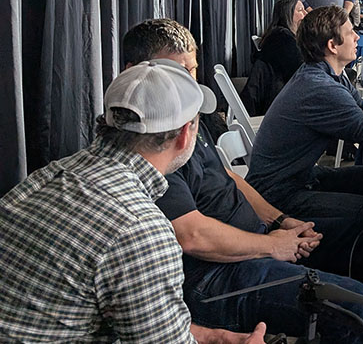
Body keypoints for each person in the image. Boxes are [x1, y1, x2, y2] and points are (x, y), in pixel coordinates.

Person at [120, 19, 363, 342]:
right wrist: (270, 247)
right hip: (214, 276)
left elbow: (225, 176)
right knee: (352, 306)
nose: (187, 83)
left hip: (253, 241)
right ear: (136, 72)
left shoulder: (187, 116)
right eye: (175, 72)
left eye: (192, 70)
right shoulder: (145, 141)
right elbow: (192, 235)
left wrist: (279, 222)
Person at [0, 59, 267, 343]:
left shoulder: (48, 176)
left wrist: (215, 338)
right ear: (185, 134)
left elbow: (143, 323)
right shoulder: (140, 228)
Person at [247, 6, 363, 217]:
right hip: (278, 195)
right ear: (332, 46)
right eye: (350, 33)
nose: (357, 37)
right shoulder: (322, 89)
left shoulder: (328, 73)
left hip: (299, 177)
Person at [241, 0, 307, 115]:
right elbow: (300, 71)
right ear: (287, 14)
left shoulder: (277, 35)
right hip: (278, 105)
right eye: (300, 10)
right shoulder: (283, 39)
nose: (305, 13)